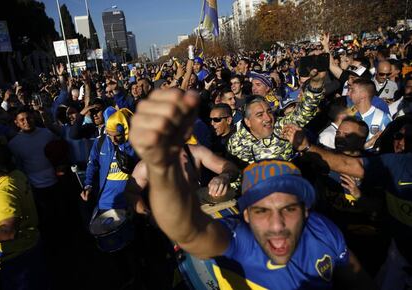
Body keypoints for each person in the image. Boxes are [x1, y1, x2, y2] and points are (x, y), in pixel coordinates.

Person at [128, 88, 375, 289]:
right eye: (263, 210)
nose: (278, 221)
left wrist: (223, 177)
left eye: (289, 207)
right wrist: (154, 211)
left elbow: (229, 168)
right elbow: (137, 197)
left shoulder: (324, 230)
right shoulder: (240, 239)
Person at [282, 122, 412, 290]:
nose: (339, 137)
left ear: (361, 141)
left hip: (367, 245)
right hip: (335, 241)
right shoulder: (321, 158)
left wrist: (360, 197)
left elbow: (380, 209)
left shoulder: (378, 165)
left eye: (347, 135)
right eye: (339, 133)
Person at [227, 69, 326, 166]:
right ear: (248, 121)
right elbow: (233, 171)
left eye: (269, 112)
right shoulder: (236, 142)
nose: (268, 118)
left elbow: (304, 112)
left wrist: (316, 85)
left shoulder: (281, 127)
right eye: (259, 115)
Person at [0, 144, 47, 290]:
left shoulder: (3, 192)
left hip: (16, 257)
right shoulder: (17, 174)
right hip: (32, 242)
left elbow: (8, 231)